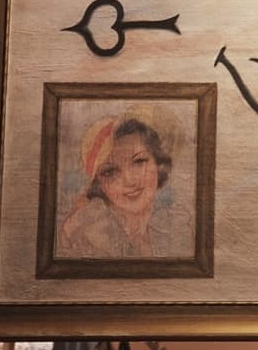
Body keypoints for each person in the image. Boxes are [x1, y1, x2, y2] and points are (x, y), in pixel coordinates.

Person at [57, 106, 192, 258]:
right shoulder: (89, 236)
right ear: (98, 184)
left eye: (139, 161)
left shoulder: (173, 226)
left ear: (158, 162)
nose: (129, 180)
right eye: (110, 171)